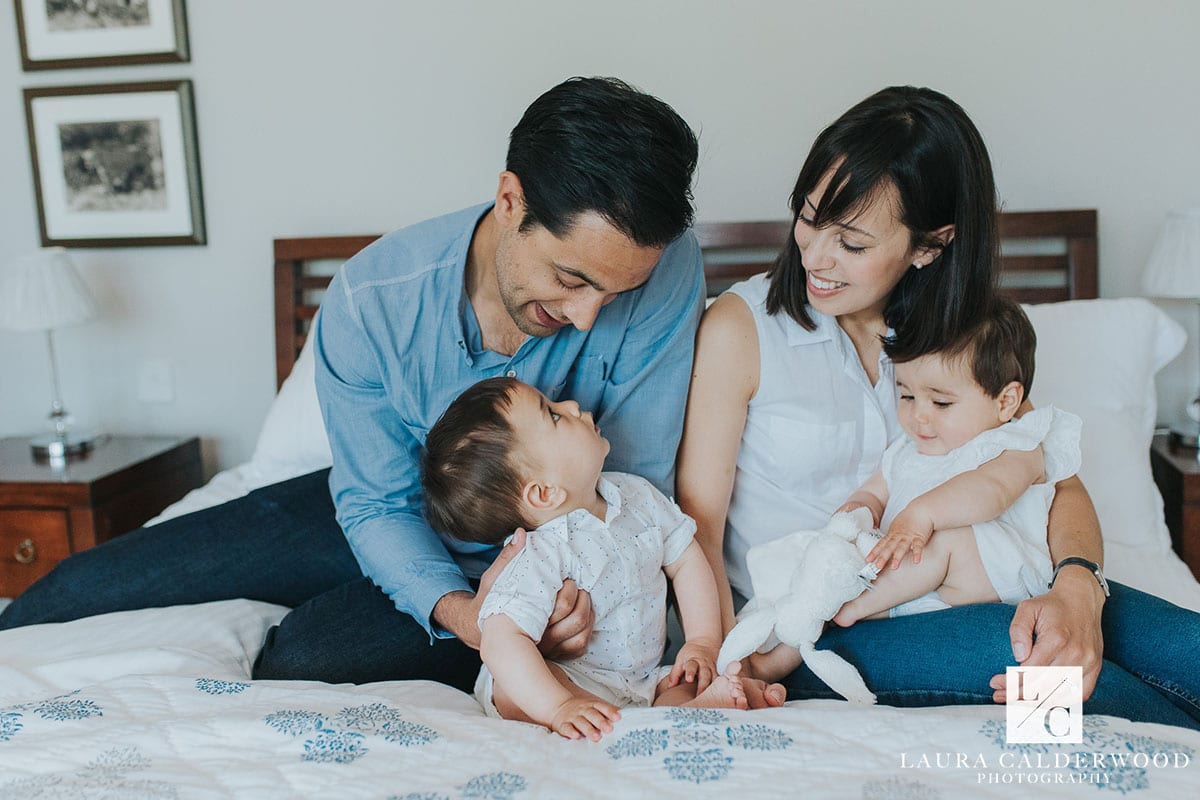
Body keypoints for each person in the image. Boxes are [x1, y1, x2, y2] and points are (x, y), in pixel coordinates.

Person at [0, 77, 709, 694]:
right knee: (79, 589)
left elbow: (634, 479)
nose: (589, 316)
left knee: (301, 662)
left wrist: (552, 609)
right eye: (571, 279)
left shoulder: (664, 267)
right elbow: (373, 502)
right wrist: (467, 617)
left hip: (559, 539)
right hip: (390, 506)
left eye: (615, 295)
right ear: (509, 200)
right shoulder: (374, 298)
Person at [676, 85, 1200, 728]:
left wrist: (1077, 587)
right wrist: (725, 663)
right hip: (822, 630)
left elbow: (1052, 473)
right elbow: (697, 525)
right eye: (809, 218)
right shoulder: (741, 329)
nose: (815, 255)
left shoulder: (961, 337)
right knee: (1062, 683)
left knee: (1188, 651)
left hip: (996, 581)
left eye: (854, 242)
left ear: (930, 245)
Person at [745, 297, 1082, 683]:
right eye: (906, 395)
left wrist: (922, 514)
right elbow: (876, 490)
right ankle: (772, 652)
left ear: (1006, 402)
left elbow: (991, 492)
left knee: (949, 539)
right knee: (822, 565)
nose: (918, 415)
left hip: (995, 579)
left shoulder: (1016, 444)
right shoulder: (909, 450)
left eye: (941, 401)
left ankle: (850, 607)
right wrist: (858, 510)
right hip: (918, 587)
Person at [422, 377, 751, 741]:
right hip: (573, 682)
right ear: (544, 492)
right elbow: (499, 641)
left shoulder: (637, 496)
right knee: (512, 690)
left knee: (687, 678)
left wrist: (702, 641)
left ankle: (680, 710)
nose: (572, 405)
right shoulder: (539, 554)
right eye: (554, 415)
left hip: (640, 681)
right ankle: (620, 719)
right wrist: (558, 706)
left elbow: (686, 558)